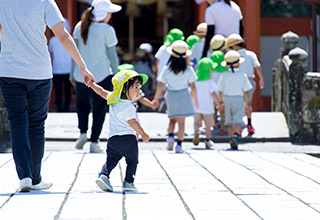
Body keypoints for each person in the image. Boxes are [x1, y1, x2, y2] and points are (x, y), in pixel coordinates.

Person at [0, 0, 95, 192]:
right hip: (39, 72)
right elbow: (62, 34)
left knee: (17, 122)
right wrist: (82, 66)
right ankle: (35, 178)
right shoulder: (44, 1)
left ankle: (25, 177)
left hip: (9, 70)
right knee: (36, 125)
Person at [71, 0, 121, 153]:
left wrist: (72, 73)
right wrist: (118, 76)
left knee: (82, 105)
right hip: (103, 74)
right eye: (109, 12)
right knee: (100, 108)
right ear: (104, 13)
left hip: (81, 74)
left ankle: (82, 133)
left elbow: (75, 53)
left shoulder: (79, 26)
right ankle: (94, 141)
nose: (111, 15)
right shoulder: (107, 29)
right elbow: (112, 56)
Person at [88, 70, 150, 192]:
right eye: (136, 87)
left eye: (140, 88)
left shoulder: (113, 99)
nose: (139, 91)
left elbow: (101, 91)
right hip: (128, 139)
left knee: (111, 160)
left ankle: (104, 176)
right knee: (132, 161)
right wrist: (143, 134)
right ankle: (128, 182)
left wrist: (91, 84)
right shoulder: (129, 106)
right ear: (124, 88)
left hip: (113, 139)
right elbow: (132, 122)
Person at [153, 40, 198, 153]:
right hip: (183, 94)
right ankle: (179, 145)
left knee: (172, 119)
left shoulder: (167, 69)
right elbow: (193, 86)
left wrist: (156, 98)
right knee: (181, 122)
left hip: (171, 95)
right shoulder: (188, 69)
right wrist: (196, 99)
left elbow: (161, 85)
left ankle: (170, 137)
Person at [224, 34, 264, 135]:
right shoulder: (251, 54)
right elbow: (258, 66)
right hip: (249, 80)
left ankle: (238, 126)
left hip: (235, 80)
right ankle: (249, 124)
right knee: (248, 103)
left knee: (238, 103)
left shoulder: (231, 55)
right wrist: (261, 79)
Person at [217, 50, 252, 150]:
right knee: (238, 121)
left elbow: (220, 90)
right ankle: (235, 136)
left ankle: (231, 138)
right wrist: (246, 103)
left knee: (229, 122)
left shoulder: (224, 75)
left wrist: (220, 101)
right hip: (239, 98)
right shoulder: (242, 75)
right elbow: (246, 91)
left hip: (227, 98)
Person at [192, 58, 220, 149]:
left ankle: (196, 132)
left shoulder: (195, 81)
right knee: (208, 125)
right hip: (208, 107)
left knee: (197, 123)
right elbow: (213, 94)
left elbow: (191, 92)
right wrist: (218, 104)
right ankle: (207, 140)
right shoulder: (210, 82)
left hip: (196, 107)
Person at [49, 18, 73, 112]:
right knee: (68, 91)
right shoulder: (72, 39)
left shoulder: (52, 40)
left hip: (56, 69)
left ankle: (59, 109)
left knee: (58, 91)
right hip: (69, 68)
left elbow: (51, 55)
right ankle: (66, 108)